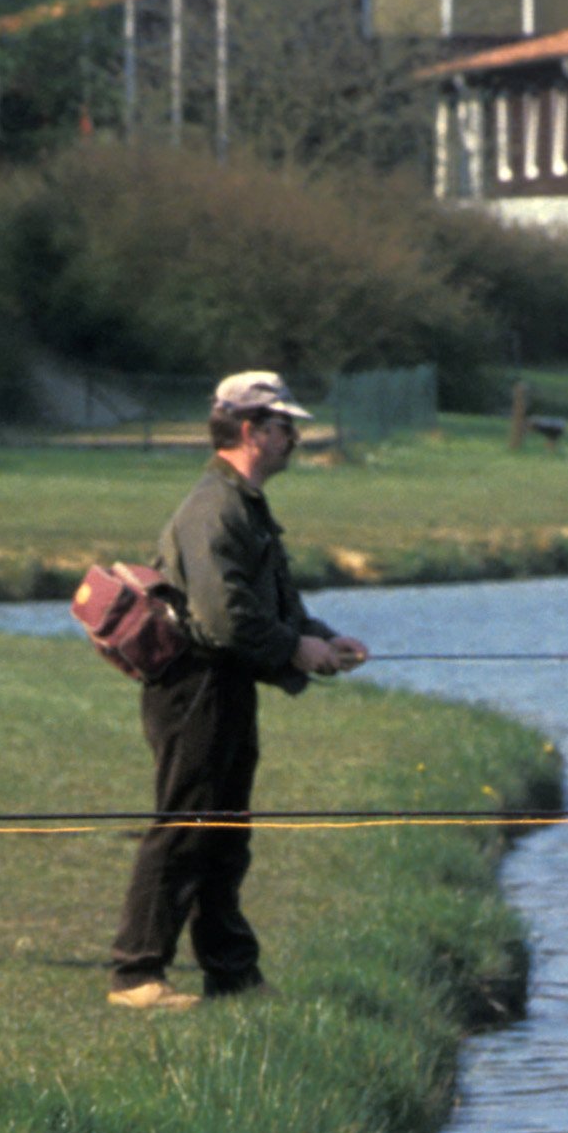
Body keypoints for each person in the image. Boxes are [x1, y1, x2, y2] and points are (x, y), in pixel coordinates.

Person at [109, 370, 369, 1010]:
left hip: (225, 685)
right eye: (286, 427)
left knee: (225, 831)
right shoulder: (213, 508)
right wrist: (292, 650)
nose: (296, 438)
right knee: (184, 826)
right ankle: (136, 974)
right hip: (191, 686)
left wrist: (322, 640)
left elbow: (271, 601)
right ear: (251, 431)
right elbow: (226, 618)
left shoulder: (244, 503)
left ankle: (232, 972)